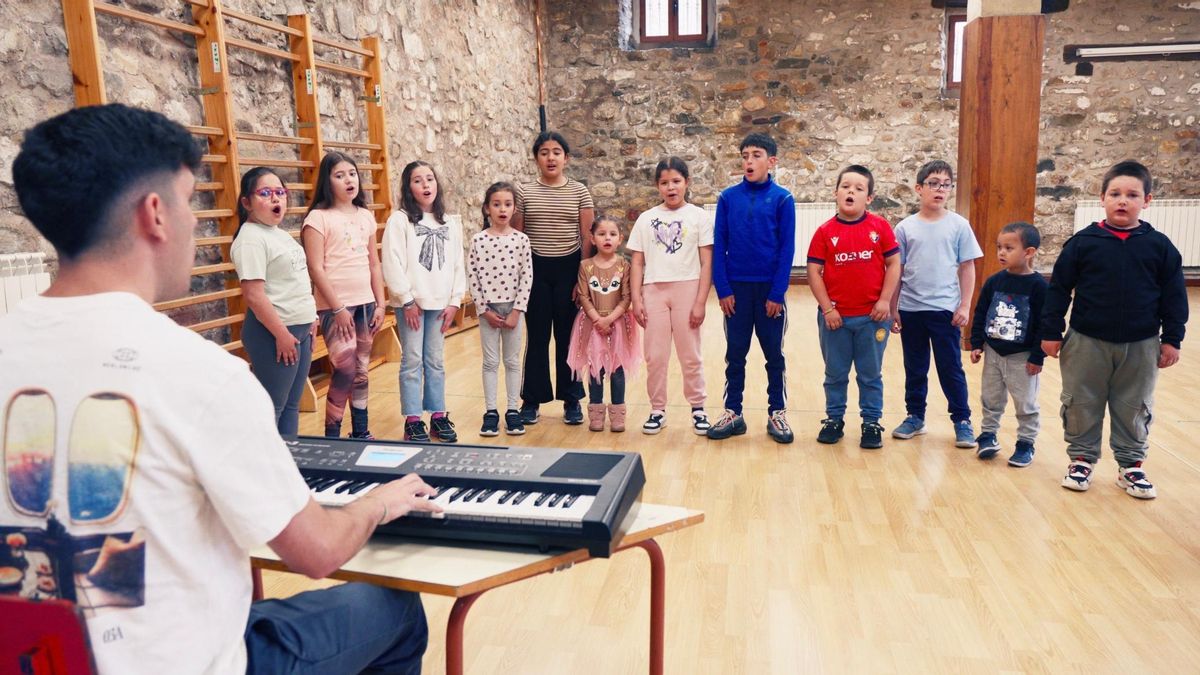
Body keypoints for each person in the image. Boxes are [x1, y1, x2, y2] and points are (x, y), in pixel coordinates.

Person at [2, 103, 440, 674]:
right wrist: (379, 501)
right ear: (154, 214)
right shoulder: (199, 372)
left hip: (34, 656)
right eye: (189, 202)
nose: (195, 222)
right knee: (396, 610)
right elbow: (318, 552)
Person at [1042, 160, 1187, 499]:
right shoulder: (1082, 243)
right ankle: (1081, 459)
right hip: (1086, 340)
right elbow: (1059, 289)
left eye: (1132, 195)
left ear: (1147, 201)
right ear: (1102, 198)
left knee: (1133, 404)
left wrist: (1172, 339)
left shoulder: (1160, 246)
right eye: (1116, 194)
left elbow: (1174, 296)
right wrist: (1050, 330)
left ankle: (1131, 465)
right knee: (1081, 402)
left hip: (1142, 343)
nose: (1123, 200)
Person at [708, 132, 796, 443]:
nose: (749, 161)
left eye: (756, 155)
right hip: (737, 293)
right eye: (745, 155)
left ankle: (778, 413)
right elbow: (720, 247)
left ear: (771, 161)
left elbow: (787, 249)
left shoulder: (783, 199)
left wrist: (776, 292)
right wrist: (723, 290)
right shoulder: (727, 198)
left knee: (774, 355)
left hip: (769, 293)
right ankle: (733, 412)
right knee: (736, 354)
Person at [889, 160, 983, 449]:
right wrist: (893, 308)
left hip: (944, 310)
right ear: (919, 189)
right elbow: (897, 270)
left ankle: (962, 420)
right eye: (933, 183)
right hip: (911, 309)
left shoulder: (959, 225)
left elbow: (967, 267)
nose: (939, 189)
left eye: (945, 184)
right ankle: (915, 416)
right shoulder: (905, 228)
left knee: (950, 366)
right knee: (915, 367)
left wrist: (965, 306)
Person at [806, 165, 901, 449]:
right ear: (836, 193)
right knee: (835, 373)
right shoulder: (824, 232)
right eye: (846, 186)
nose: (851, 192)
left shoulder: (880, 227)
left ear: (869, 198)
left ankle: (871, 422)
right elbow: (813, 272)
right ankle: (834, 419)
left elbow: (894, 263)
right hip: (835, 320)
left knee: (870, 374)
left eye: (859, 189)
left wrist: (885, 300)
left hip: (872, 318)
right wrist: (827, 309)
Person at [302, 152, 387, 439]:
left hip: (366, 304)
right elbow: (315, 267)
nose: (348, 179)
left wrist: (381, 303)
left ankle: (360, 432)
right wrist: (337, 308)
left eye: (351, 173)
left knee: (362, 371)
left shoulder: (365, 216)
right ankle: (332, 436)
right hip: (334, 308)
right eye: (339, 175)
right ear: (328, 182)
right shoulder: (318, 218)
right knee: (345, 370)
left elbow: (374, 263)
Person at [512, 131, 594, 426]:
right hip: (535, 271)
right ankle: (531, 399)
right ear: (536, 158)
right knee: (537, 337)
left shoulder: (580, 192)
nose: (550, 157)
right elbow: (519, 238)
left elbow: (587, 236)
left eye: (557, 151)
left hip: (569, 270)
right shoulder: (523, 192)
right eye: (544, 152)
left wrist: (581, 278)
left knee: (568, 337)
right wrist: (521, 279)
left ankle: (572, 399)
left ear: (566, 158)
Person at [382, 160, 467, 443]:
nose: (425, 185)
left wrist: (455, 301)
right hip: (413, 305)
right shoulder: (400, 220)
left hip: (441, 303)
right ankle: (413, 418)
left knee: (435, 360)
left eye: (429, 178)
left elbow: (457, 263)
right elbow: (392, 261)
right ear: (409, 187)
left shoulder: (450, 222)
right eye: (418, 180)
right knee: (412, 360)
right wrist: (407, 301)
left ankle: (438, 415)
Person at [230, 167, 318, 435]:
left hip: (299, 331)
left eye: (280, 192)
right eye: (265, 193)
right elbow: (254, 295)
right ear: (247, 202)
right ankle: (266, 471)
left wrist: (311, 318)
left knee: (292, 404)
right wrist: (281, 334)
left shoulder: (277, 233)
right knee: (273, 408)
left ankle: (291, 466)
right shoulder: (251, 239)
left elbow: (295, 280)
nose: (275, 199)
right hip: (275, 333)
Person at [629, 156, 713, 435]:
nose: (671, 187)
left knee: (690, 354)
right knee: (655, 355)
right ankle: (657, 409)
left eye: (676, 181)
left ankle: (698, 408)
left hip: (687, 290)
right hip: (654, 291)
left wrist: (700, 301)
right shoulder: (646, 219)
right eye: (664, 183)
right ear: (657, 186)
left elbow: (707, 262)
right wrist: (637, 299)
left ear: (687, 182)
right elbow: (637, 263)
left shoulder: (699, 217)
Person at [969, 221, 1048, 467]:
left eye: (1009, 248)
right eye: (999, 247)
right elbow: (981, 311)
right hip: (993, 352)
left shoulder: (1040, 286)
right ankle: (988, 435)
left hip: (1022, 357)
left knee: (1025, 403)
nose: (1001, 252)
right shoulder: (994, 281)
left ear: (1029, 252)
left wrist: (1037, 356)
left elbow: (1044, 324)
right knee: (991, 398)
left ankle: (1026, 443)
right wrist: (977, 343)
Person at [468, 181, 533, 436]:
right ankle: (491, 411)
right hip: (488, 310)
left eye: (507, 204)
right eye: (496, 204)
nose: (502, 209)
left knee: (512, 361)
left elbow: (527, 276)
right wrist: (483, 309)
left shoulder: (521, 240)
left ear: (514, 208)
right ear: (487, 209)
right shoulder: (478, 240)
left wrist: (518, 310)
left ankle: (513, 410)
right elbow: (472, 274)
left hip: (514, 310)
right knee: (490, 362)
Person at [566, 216, 642, 432]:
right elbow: (583, 295)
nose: (607, 238)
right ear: (592, 238)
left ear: (620, 239)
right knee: (595, 367)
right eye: (601, 234)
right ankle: (596, 411)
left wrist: (610, 319)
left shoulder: (624, 265)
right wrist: (597, 319)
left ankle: (618, 412)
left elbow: (626, 297)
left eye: (612, 234)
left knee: (617, 369)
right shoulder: (585, 266)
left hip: (617, 323)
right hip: (592, 323)